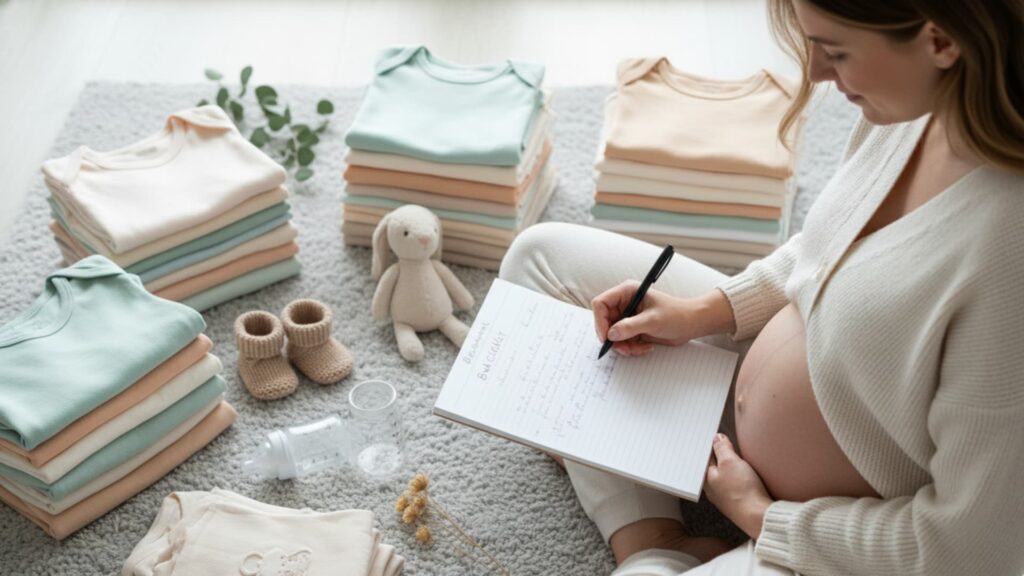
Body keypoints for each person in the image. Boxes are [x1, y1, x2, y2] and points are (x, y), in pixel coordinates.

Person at [498, 0, 1024, 574]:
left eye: (837, 50)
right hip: (743, 404)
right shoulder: (915, 102)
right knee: (537, 260)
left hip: (830, 530)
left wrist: (763, 518)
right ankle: (655, 541)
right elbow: (826, 248)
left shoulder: (1007, 256)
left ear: (941, 41)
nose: (817, 72)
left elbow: (971, 550)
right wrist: (704, 311)